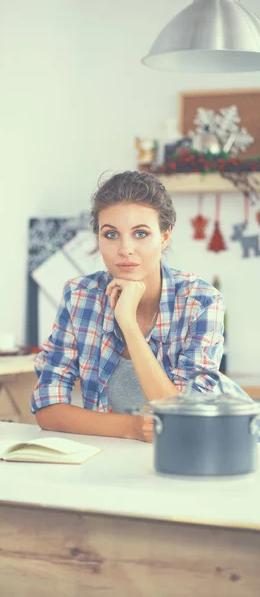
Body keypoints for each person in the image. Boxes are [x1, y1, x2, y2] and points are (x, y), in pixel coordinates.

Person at [30, 170, 247, 442]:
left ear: (165, 236)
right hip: (131, 452)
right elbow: (48, 409)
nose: (125, 249)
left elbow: (181, 420)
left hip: (220, 445)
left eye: (141, 233)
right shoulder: (80, 296)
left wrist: (128, 325)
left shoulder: (200, 301)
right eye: (111, 235)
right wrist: (131, 427)